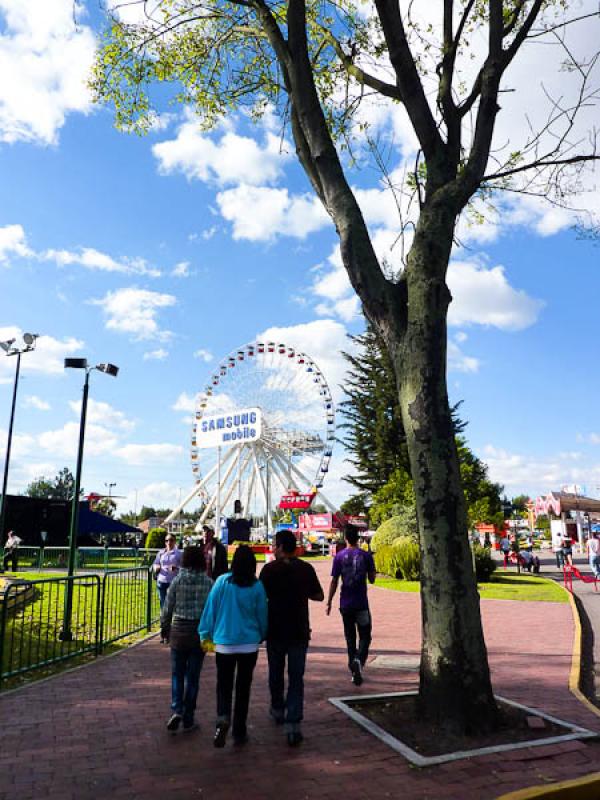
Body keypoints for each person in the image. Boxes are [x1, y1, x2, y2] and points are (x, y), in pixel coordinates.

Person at [260, 528, 324, 747]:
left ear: (279, 547)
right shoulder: (306, 569)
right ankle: (293, 723)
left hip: (275, 630)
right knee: (296, 677)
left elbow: (261, 598)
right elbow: (319, 595)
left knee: (275, 673)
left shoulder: (268, 571)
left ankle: (277, 709)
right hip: (298, 630)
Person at [199, 544, 268, 748]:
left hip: (224, 643)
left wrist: (205, 633)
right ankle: (239, 730)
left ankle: (223, 717)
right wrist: (262, 634)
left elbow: (210, 610)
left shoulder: (221, 582)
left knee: (224, 684)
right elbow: (262, 615)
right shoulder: (257, 587)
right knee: (243, 687)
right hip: (248, 644)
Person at [161, 545, 213, 733]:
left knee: (177, 673)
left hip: (179, 630)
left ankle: (177, 709)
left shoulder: (178, 580)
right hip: (199, 632)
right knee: (193, 676)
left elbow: (167, 607)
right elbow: (212, 610)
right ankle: (189, 716)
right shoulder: (208, 583)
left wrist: (164, 628)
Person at [326, 524, 376, 686]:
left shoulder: (339, 557)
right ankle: (359, 661)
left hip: (345, 603)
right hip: (361, 603)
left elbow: (334, 581)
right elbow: (372, 579)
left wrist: (329, 602)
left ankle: (354, 668)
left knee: (350, 638)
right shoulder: (365, 556)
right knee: (365, 636)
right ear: (358, 538)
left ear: (345, 538)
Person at [153, 533, 182, 611]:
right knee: (163, 602)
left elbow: (183, 568)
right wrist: (156, 567)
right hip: (161, 581)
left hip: (173, 582)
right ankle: (164, 620)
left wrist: (176, 568)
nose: (169, 542)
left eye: (171, 540)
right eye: (167, 540)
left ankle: (172, 620)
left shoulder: (179, 554)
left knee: (172, 603)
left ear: (175, 541)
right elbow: (155, 563)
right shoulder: (161, 552)